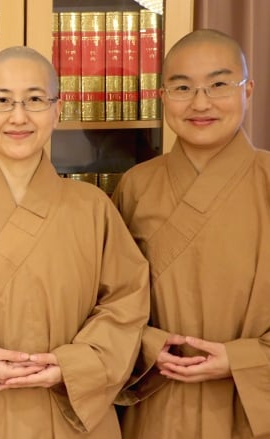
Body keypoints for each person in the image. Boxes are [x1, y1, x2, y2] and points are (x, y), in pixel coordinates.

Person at [0, 46, 150, 437]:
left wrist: (73, 365)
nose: (18, 116)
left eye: (35, 100)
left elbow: (126, 304)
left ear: (57, 110)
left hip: (72, 417)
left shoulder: (93, 208)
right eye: (2, 100)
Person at [113, 29, 270, 438]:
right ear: (163, 96)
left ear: (247, 90)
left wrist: (244, 359)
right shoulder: (135, 186)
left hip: (253, 407)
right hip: (157, 404)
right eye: (183, 87)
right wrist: (149, 344)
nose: (201, 103)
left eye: (219, 84)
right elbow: (103, 300)